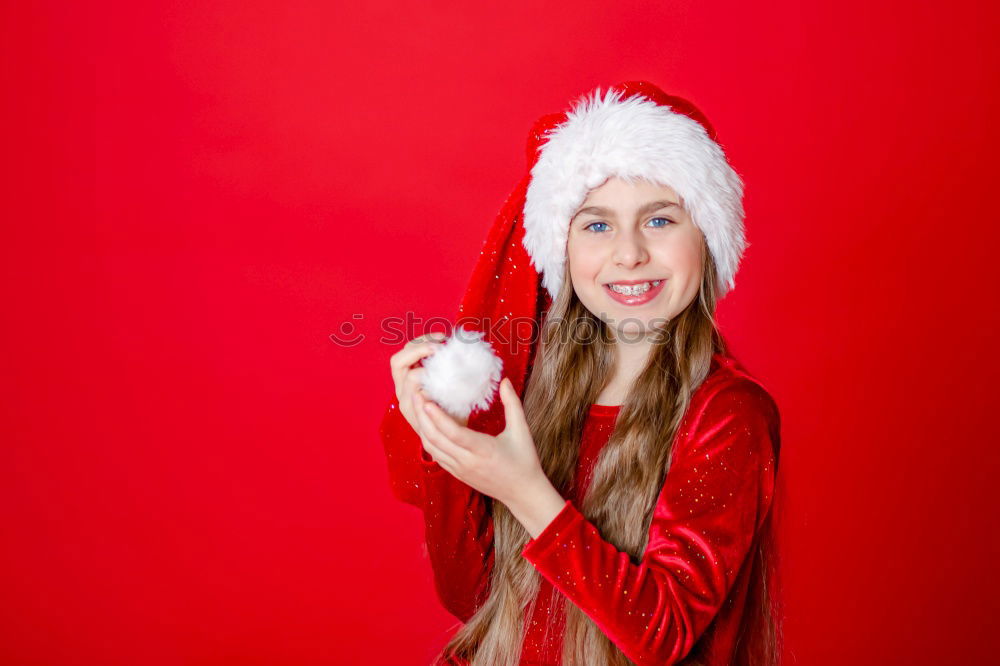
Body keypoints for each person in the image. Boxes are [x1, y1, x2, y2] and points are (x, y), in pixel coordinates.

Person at [380, 81, 782, 666]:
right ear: (561, 248)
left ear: (709, 237)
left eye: (660, 220)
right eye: (597, 226)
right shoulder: (538, 393)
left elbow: (662, 633)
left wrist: (526, 491)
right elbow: (471, 598)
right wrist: (446, 446)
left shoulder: (726, 414)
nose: (629, 254)